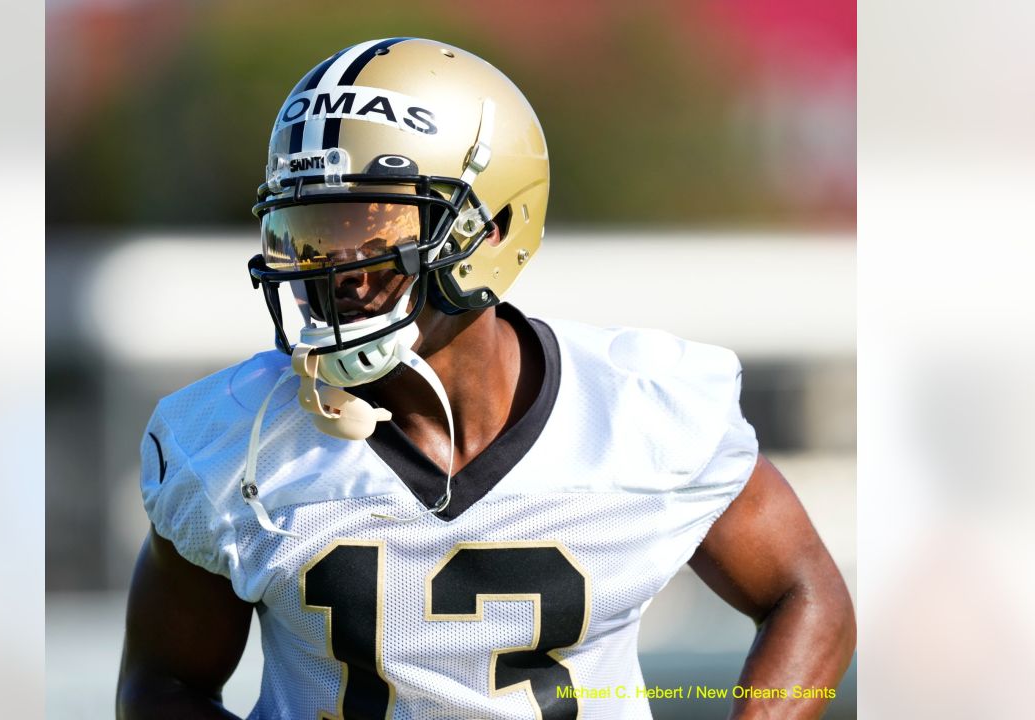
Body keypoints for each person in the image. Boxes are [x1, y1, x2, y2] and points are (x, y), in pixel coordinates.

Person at [117, 37, 855, 720]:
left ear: (492, 226)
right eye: (306, 232)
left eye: (365, 230)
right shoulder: (232, 444)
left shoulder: (639, 410)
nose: (328, 272)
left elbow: (810, 595)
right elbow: (163, 685)